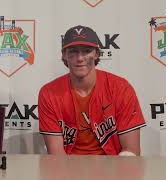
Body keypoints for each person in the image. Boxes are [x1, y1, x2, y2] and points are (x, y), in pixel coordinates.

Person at [38, 25, 146, 156]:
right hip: (69, 170)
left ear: (96, 54)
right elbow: (56, 156)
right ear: (64, 55)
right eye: (73, 51)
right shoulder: (49, 93)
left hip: (112, 169)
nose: (80, 58)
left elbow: (131, 152)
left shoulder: (121, 88)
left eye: (86, 51)